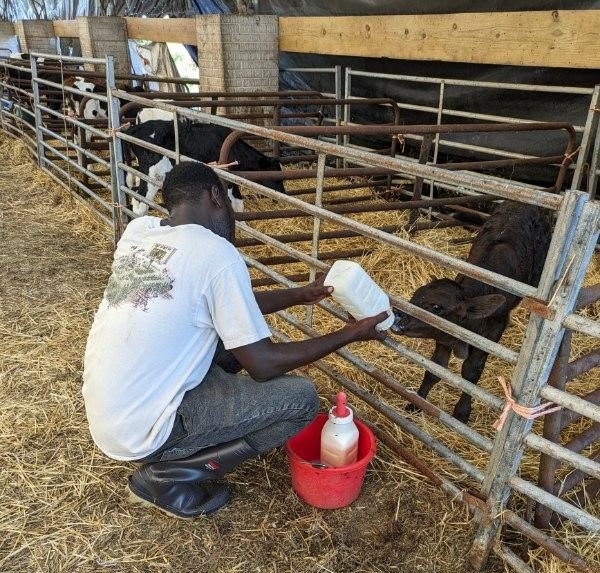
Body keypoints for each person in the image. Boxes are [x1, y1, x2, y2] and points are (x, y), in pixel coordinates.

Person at [82, 162, 388, 519]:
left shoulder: (140, 232)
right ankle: (169, 475)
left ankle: (187, 438)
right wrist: (351, 333)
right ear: (216, 196)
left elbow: (224, 306)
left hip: (113, 415)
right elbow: (263, 365)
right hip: (146, 431)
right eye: (227, 199)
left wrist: (300, 295)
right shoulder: (216, 253)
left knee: (228, 343)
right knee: (302, 400)